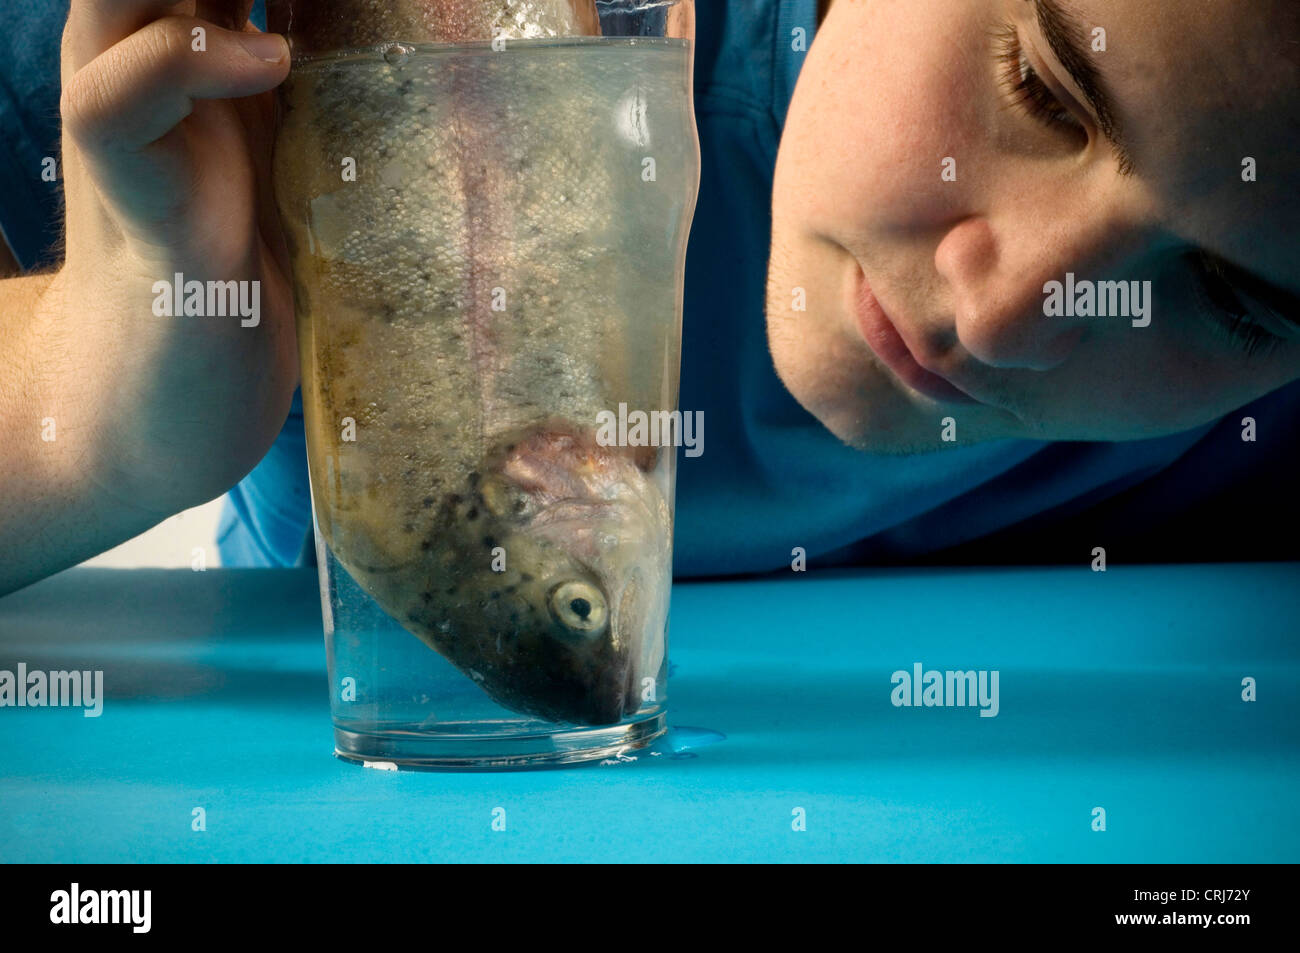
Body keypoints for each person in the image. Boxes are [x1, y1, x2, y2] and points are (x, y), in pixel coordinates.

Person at [1, 0, 1298, 599]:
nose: (1012, 316)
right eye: (1041, 90)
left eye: (1237, 297)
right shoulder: (289, 52)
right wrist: (101, 404)